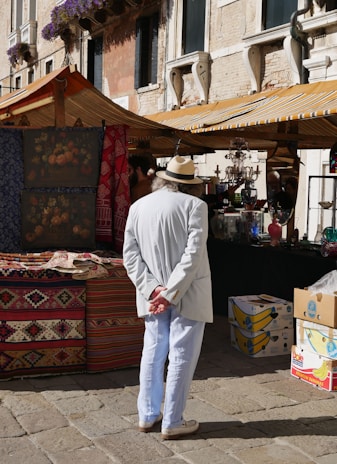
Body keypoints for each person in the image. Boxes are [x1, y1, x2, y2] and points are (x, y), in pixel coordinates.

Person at [123, 155, 213, 440]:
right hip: (187, 292)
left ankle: (147, 415)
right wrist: (170, 292)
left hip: (153, 295)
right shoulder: (195, 206)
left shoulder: (138, 206)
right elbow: (193, 255)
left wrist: (153, 289)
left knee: (152, 351)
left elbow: (130, 255)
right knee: (181, 355)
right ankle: (173, 420)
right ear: (190, 185)